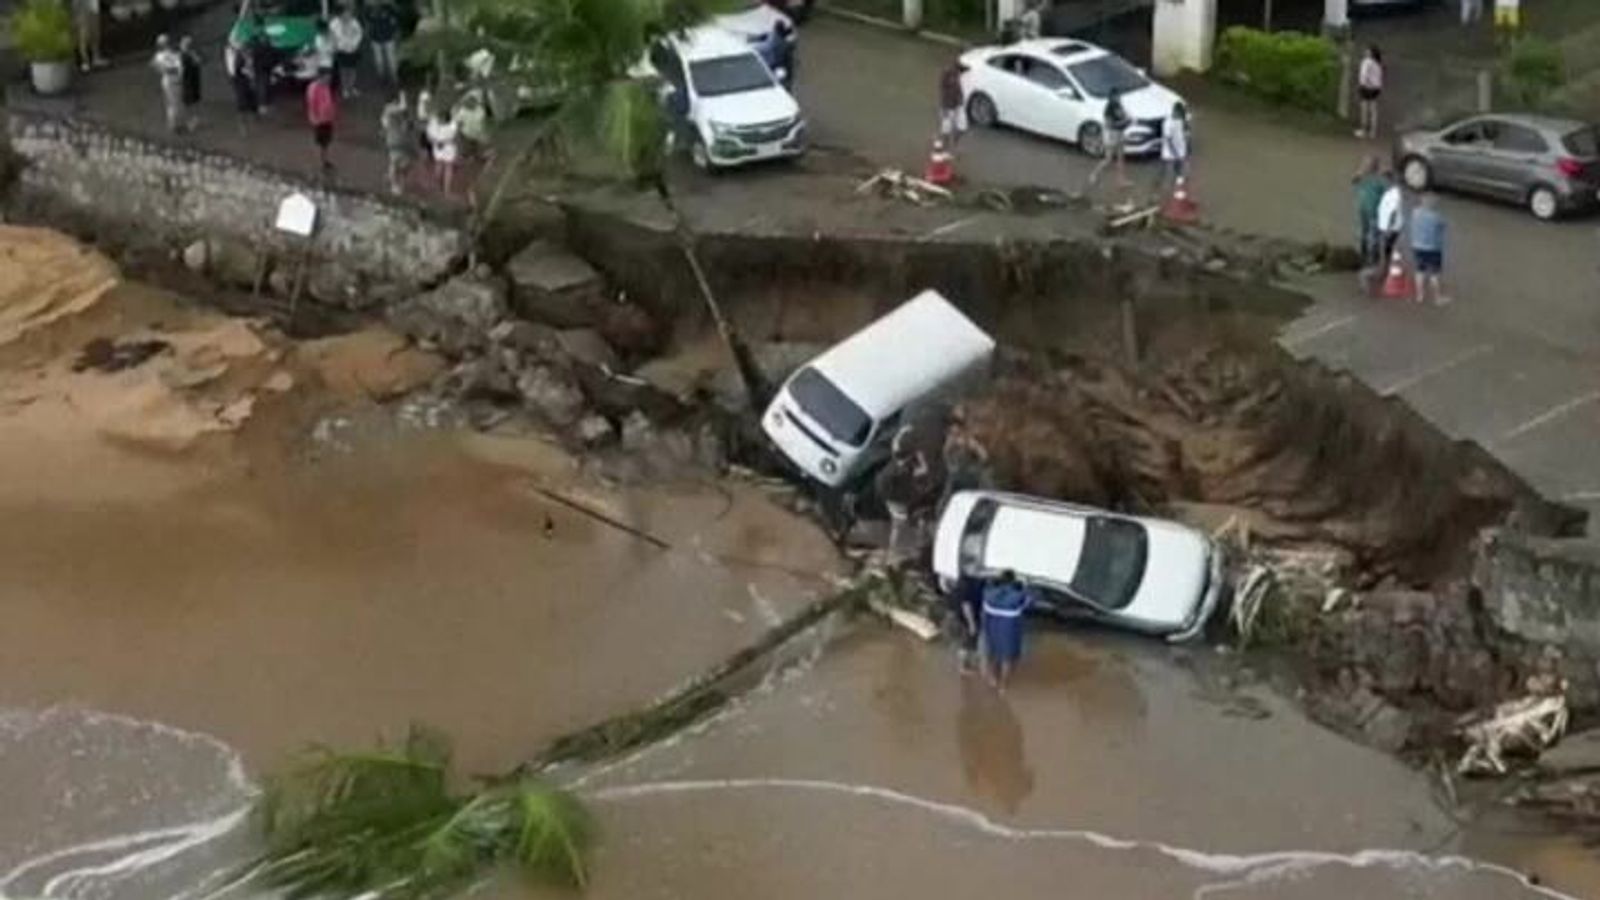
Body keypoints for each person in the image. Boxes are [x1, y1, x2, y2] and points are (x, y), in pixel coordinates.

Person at [981, 571, 1035, 691]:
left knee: (993, 655)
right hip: (1010, 631)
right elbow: (1030, 603)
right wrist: (1027, 587)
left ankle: (993, 679)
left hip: (992, 630)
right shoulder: (1017, 595)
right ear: (1012, 580)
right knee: (1007, 659)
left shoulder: (988, 593)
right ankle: (1003, 686)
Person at [1086, 87, 1131, 195]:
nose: (1119, 97)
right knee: (1108, 159)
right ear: (1112, 97)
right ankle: (1094, 174)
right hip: (1111, 135)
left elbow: (1124, 116)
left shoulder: (1119, 105)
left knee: (1121, 158)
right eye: (1117, 96)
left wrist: (1126, 121)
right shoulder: (1109, 108)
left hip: (1119, 134)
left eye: (1119, 95)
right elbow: (1109, 124)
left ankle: (1120, 181)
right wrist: (1125, 122)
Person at [1410, 193, 1450, 305]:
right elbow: (1443, 226)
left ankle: (1419, 295)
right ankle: (1437, 298)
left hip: (1417, 247)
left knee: (1419, 271)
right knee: (1434, 274)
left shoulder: (1415, 213)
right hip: (1433, 249)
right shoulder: (1436, 217)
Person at [1351, 155, 1387, 276]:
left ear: (1374, 167)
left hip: (1375, 213)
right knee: (1363, 233)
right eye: (1365, 164)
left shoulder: (1380, 180)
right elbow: (1354, 181)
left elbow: (1386, 194)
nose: (1366, 167)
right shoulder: (1362, 177)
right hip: (1364, 210)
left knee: (1373, 238)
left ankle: (1373, 261)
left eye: (1368, 165)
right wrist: (1358, 174)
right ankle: (1363, 255)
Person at [946, 573, 984, 674]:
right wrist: (971, 623)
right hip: (966, 620)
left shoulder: (956, 589)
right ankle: (963, 667)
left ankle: (966, 664)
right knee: (965, 644)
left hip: (958, 618)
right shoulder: (967, 591)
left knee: (965, 643)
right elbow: (966, 607)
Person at [380, 92, 415, 195]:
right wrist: (403, 96)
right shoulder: (390, 110)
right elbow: (403, 108)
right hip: (397, 141)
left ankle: (395, 182)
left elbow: (408, 122)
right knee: (396, 163)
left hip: (400, 141)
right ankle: (394, 184)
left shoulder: (390, 112)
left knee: (400, 164)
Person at [150, 35, 185, 134]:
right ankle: (174, 126)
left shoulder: (161, 56)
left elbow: (154, 65)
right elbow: (170, 68)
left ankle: (176, 124)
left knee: (175, 103)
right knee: (175, 104)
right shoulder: (168, 55)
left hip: (169, 80)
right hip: (171, 81)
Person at [306, 68, 338, 173]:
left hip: (327, 118)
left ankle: (325, 160)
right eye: (327, 77)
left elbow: (329, 100)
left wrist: (332, 114)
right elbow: (312, 103)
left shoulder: (326, 86)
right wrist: (315, 117)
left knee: (326, 141)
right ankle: (321, 162)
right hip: (319, 120)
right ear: (321, 76)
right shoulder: (314, 88)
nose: (328, 79)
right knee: (321, 141)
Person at [225, 38, 259, 133]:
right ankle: (243, 125)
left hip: (247, 80)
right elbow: (237, 69)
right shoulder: (237, 56)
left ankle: (252, 120)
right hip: (240, 81)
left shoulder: (246, 55)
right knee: (242, 102)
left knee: (251, 100)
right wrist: (248, 72)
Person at [330, 5, 364, 99]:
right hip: (341, 50)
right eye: (345, 14)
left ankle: (351, 87)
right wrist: (336, 46)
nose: (347, 15)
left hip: (353, 49)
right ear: (340, 14)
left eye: (349, 14)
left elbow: (359, 33)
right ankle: (345, 89)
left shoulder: (354, 22)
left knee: (352, 70)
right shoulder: (334, 24)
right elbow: (332, 37)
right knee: (343, 70)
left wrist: (355, 44)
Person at [366, 0, 402, 85]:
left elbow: (396, 20)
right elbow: (368, 24)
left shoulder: (389, 8)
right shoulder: (369, 9)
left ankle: (394, 78)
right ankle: (382, 78)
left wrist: (396, 33)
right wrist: (369, 36)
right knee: (379, 61)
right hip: (375, 38)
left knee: (391, 60)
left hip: (388, 37)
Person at [426, 109, 460, 196]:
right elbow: (455, 131)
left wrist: (436, 142)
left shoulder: (433, 125)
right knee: (448, 168)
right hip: (448, 148)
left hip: (438, 148)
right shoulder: (451, 126)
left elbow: (429, 137)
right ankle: (446, 190)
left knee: (440, 166)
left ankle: (438, 186)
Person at [1376, 170, 1405, 270]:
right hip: (1386, 226)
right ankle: (1386, 266)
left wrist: (1388, 228)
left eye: (1383, 181)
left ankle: (1387, 267)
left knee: (1387, 248)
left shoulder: (1395, 194)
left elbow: (1393, 213)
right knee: (1386, 247)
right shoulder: (1388, 192)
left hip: (1391, 228)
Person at [1160, 102, 1189, 196]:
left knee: (1180, 175)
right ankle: (1165, 197)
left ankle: (1178, 195)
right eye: (1180, 114)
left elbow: (1184, 131)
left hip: (1180, 153)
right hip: (1170, 155)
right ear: (1175, 111)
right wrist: (1176, 155)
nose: (1180, 117)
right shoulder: (1168, 124)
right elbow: (1168, 141)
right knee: (1169, 177)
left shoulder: (1181, 119)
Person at [1356, 45, 1383, 140]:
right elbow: (1379, 77)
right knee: (1373, 110)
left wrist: (1361, 84)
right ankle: (1373, 132)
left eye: (1367, 50)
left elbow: (1363, 74)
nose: (1365, 51)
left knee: (1364, 109)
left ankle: (1363, 130)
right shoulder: (1378, 63)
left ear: (1370, 53)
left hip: (1367, 87)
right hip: (1376, 88)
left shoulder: (1366, 61)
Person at [73, 0, 106, 72]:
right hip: (82, 8)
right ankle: (84, 62)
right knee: (84, 35)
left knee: (95, 34)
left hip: (93, 8)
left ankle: (95, 58)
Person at [937, 59, 965, 146]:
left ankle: (954, 144)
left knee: (962, 128)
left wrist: (960, 102)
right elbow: (943, 91)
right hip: (947, 107)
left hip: (957, 106)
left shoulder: (957, 76)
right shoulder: (947, 74)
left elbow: (959, 90)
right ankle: (945, 146)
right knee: (946, 130)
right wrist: (944, 108)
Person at [178, 35, 203, 133]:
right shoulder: (188, 55)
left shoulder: (185, 55)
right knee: (191, 102)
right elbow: (199, 62)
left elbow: (180, 70)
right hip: (192, 81)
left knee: (190, 102)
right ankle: (193, 120)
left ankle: (193, 121)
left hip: (189, 82)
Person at [312, 19, 337, 91]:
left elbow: (334, 49)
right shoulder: (318, 36)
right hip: (319, 63)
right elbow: (316, 48)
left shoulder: (331, 36)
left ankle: (326, 99)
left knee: (326, 82)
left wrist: (329, 50)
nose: (316, 29)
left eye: (317, 28)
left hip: (327, 63)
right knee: (321, 83)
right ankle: (323, 99)